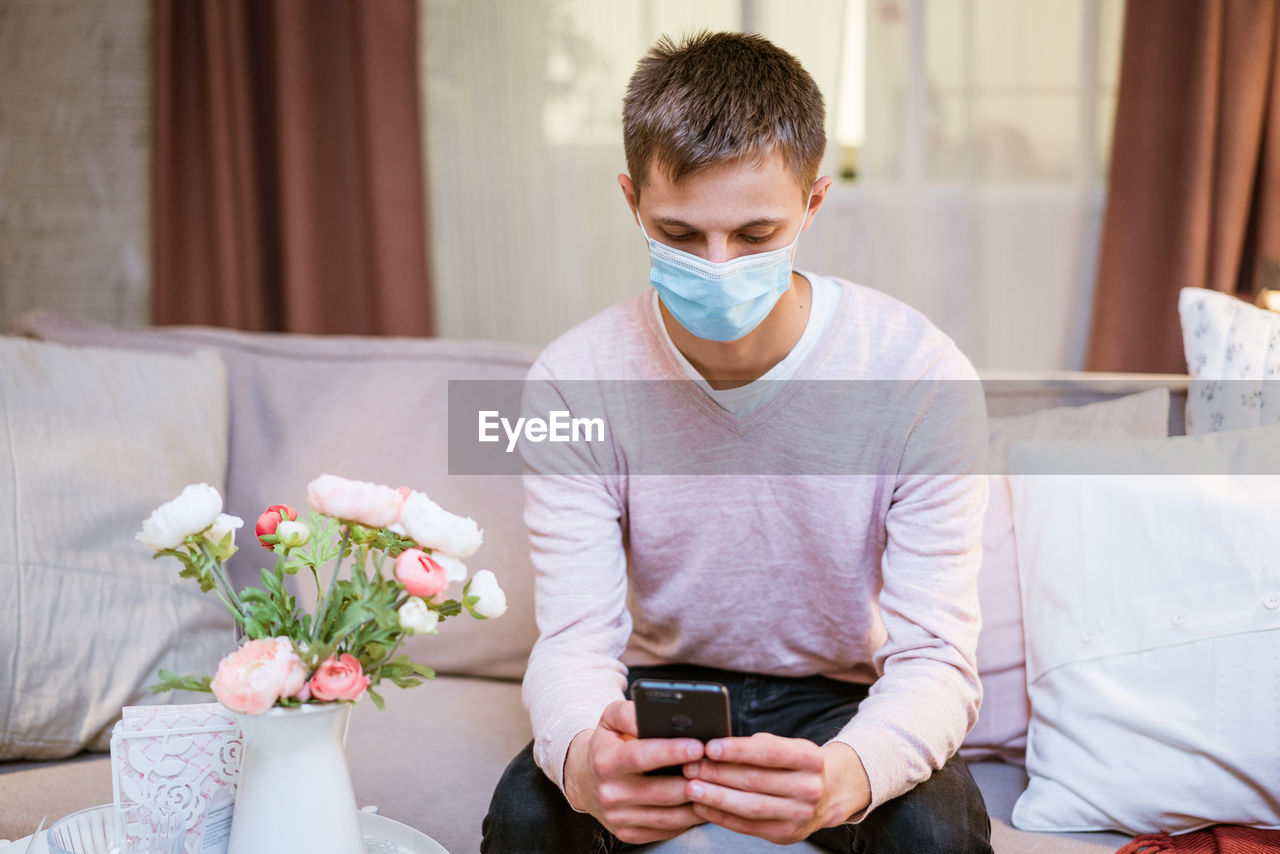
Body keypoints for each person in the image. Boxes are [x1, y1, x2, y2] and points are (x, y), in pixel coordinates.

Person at [482, 31, 993, 853]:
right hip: (659, 693)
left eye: (755, 235)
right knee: (530, 814)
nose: (718, 267)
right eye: (680, 235)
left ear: (814, 203)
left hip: (842, 698)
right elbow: (576, 641)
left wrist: (848, 776)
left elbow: (937, 655)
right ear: (631, 201)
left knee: (935, 832)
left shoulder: (918, 375)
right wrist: (583, 760)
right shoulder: (573, 379)